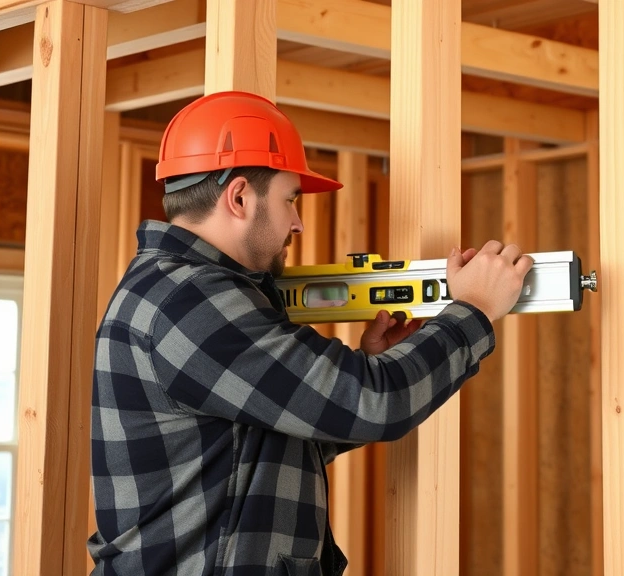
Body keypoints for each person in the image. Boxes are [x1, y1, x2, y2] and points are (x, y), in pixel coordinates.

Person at [87, 91, 533, 575]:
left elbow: (257, 444)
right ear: (239, 197)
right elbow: (373, 403)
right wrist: (475, 309)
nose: (297, 222)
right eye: (289, 199)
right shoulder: (191, 301)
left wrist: (373, 363)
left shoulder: (185, 291)